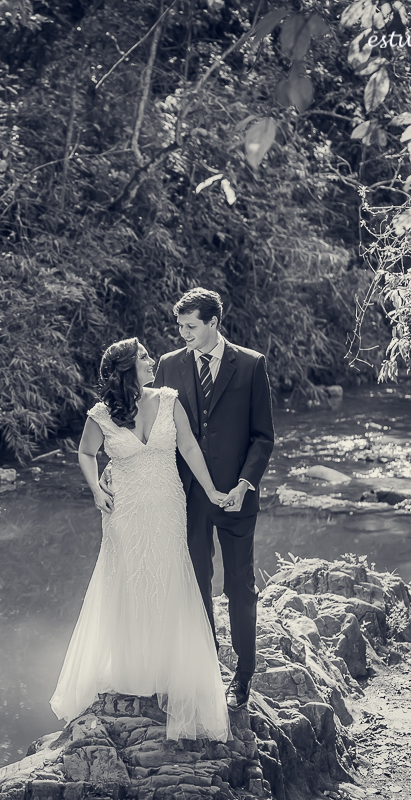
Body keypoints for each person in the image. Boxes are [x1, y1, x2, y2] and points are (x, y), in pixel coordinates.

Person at [49, 337, 231, 742]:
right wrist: (96, 489)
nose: (153, 361)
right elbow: (84, 452)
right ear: (127, 368)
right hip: (124, 513)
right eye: (145, 357)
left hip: (167, 506)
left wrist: (214, 491)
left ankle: (167, 668)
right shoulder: (100, 414)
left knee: (169, 580)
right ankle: (133, 668)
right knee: (129, 583)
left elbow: (188, 446)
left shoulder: (168, 399)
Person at [152, 288, 274, 710]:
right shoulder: (168, 366)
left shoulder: (252, 365)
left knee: (240, 587)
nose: (183, 334)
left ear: (213, 323)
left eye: (190, 326)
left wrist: (245, 484)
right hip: (188, 497)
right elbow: (158, 430)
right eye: (180, 326)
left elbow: (263, 437)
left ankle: (243, 675)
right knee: (196, 583)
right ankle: (205, 669)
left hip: (238, 497)